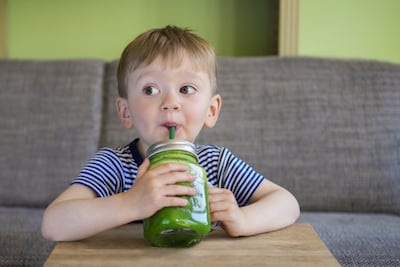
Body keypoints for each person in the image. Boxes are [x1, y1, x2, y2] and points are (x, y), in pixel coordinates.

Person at [41, 25, 300, 241]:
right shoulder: (114, 166)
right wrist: (130, 203)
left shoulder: (218, 164)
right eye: (150, 90)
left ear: (211, 110)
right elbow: (53, 224)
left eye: (186, 89)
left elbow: (287, 203)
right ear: (125, 111)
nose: (170, 102)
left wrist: (243, 219)